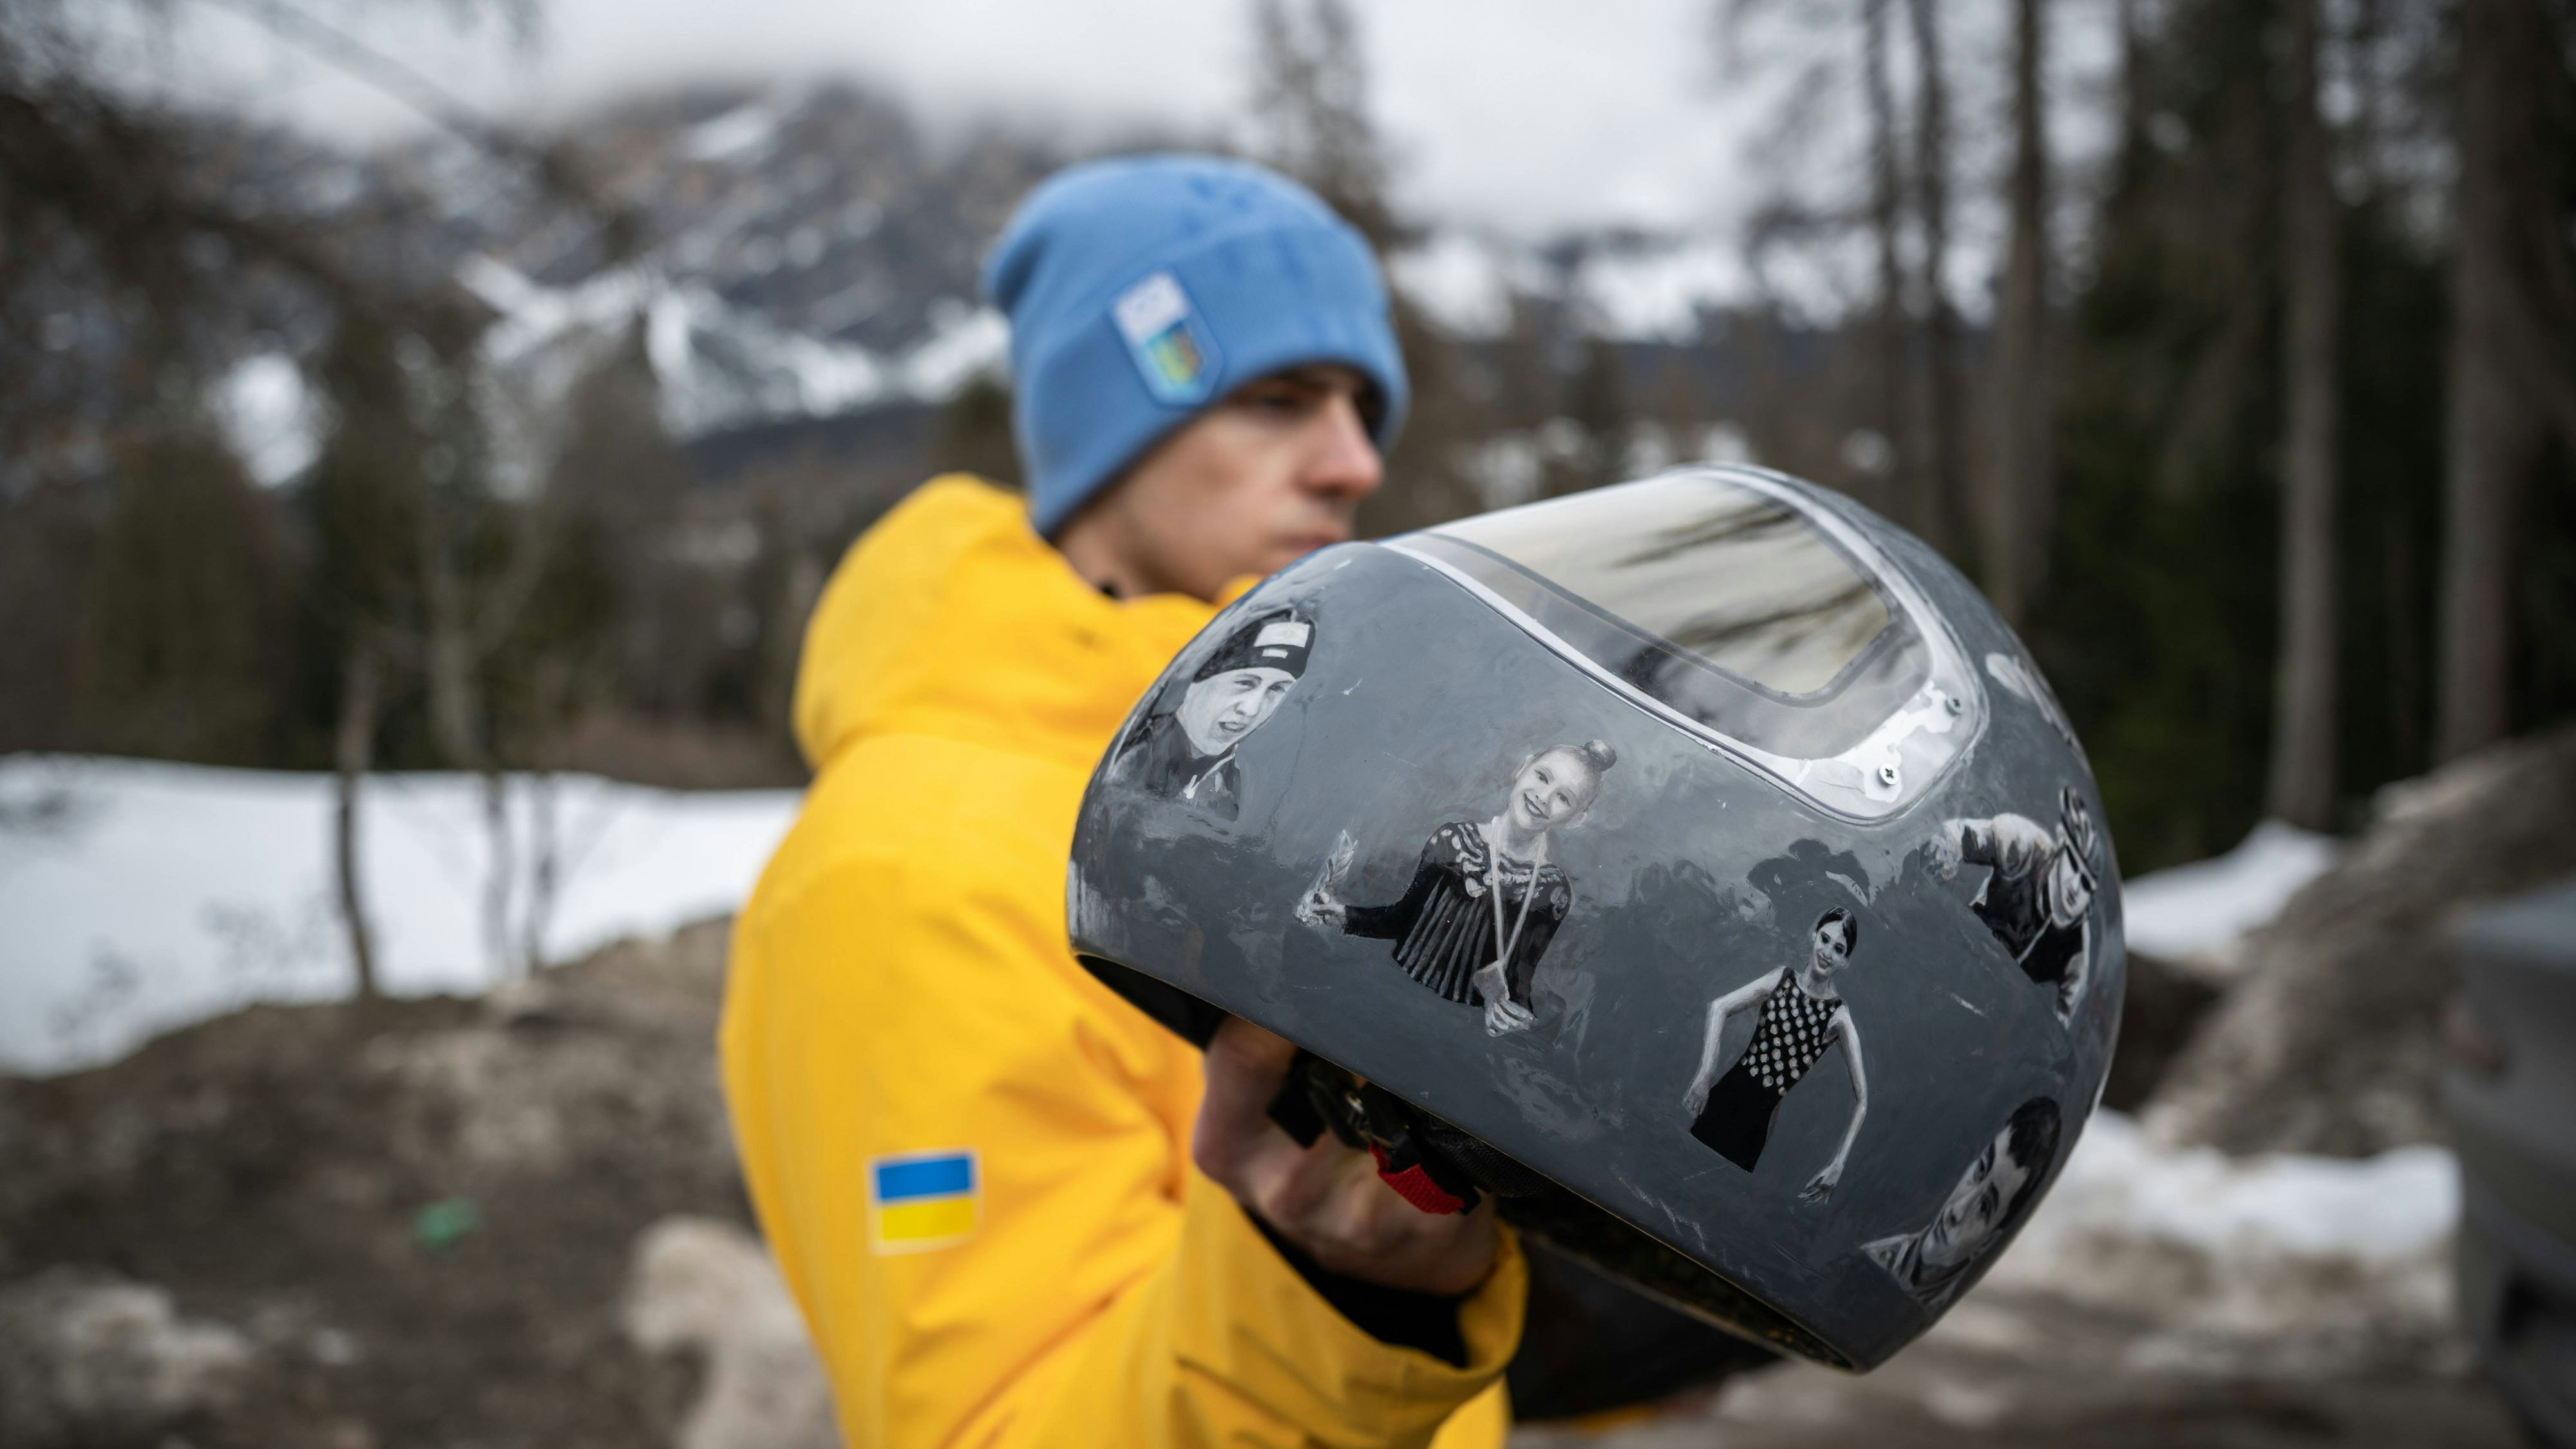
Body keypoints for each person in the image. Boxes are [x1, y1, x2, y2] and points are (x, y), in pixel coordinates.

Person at [719, 155, 1522, 1449]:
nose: (1351, 461)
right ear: (1110, 429)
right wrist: (1344, 1300)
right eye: (1276, 400)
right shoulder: (909, 867)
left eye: (1363, 408)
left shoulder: (1291, 795)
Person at [1304, 741, 1616, 1036]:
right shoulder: (1452, 840)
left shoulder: (1551, 890)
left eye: (1564, 798)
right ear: (1523, 768)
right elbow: (1402, 920)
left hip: (1458, 1027)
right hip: (1389, 991)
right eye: (1543, 777)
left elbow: (1520, 980)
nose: (1543, 797)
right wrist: (1341, 916)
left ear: (1577, 819)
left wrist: (1512, 1016)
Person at [1681, 907, 1871, 1201]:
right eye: (1825, 939)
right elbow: (1719, 1008)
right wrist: (1705, 1075)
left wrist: (1838, 1163)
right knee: (1681, 1177)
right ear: (1814, 936)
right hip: (1721, 1101)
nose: (1827, 952)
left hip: (1758, 1126)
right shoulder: (1781, 978)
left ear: (1845, 960)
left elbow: (1862, 1100)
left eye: (1838, 949)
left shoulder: (1839, 1016)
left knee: (1718, 1197)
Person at [1105, 607, 1314, 819]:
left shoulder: (1236, 786)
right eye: (1245, 683)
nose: (1251, 709)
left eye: (1276, 689)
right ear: (1197, 679)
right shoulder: (1137, 757)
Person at [1862, 1096, 2062, 1311]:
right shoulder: (1873, 1258)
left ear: (1989, 1241)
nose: (1957, 1211)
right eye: (1979, 1171)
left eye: (1984, 1207)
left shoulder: (1932, 1306)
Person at [1931, 785, 2103, 1024]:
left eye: (2085, 882)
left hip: (1995, 1022)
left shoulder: (2078, 952)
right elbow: (1956, 835)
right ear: (2061, 848)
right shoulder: (2026, 843)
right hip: (1949, 957)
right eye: (2073, 863)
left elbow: (2063, 1025)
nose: (2074, 886)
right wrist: (1944, 855)